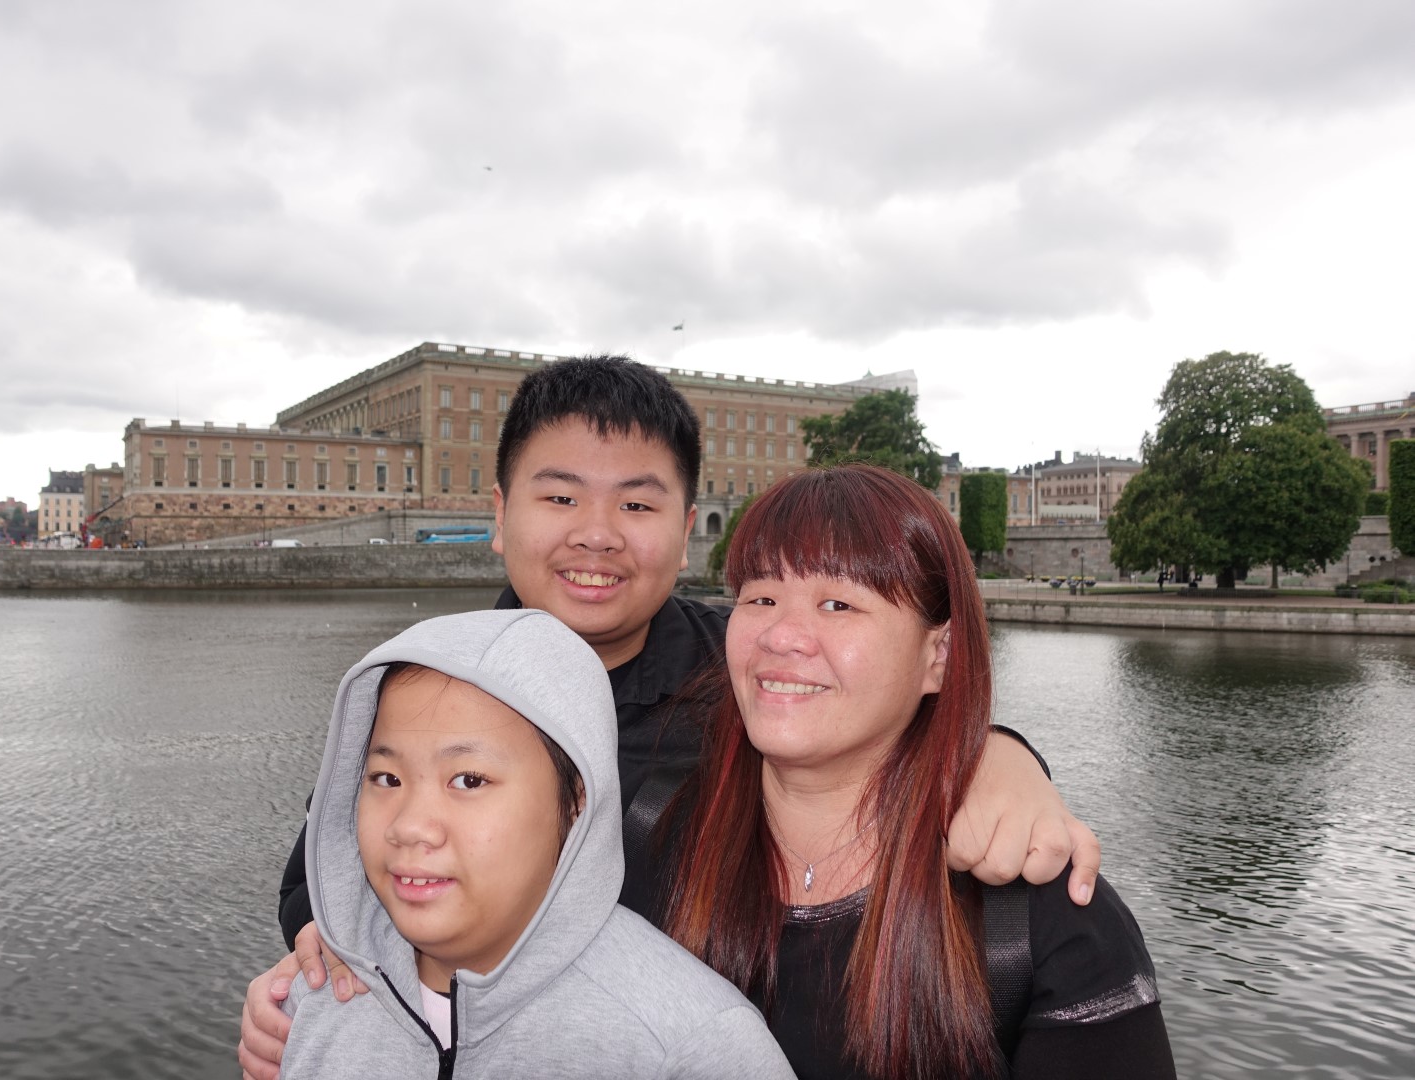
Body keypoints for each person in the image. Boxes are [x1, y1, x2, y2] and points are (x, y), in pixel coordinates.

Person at [242, 356, 1101, 1077]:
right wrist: (326, 995)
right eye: (560, 499)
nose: (597, 534)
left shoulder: (754, 666)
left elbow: (886, 704)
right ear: (499, 516)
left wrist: (996, 756)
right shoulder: (418, 688)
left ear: (688, 530)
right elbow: (322, 887)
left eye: (637, 505)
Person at [625, 464, 1174, 1078]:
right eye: (760, 598)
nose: (780, 636)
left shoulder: (1050, 918)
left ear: (938, 655)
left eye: (837, 603)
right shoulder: (640, 833)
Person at [276, 608, 794, 1078]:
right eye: (386, 779)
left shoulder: (692, 1048)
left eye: (469, 780)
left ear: (576, 803)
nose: (410, 826)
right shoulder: (317, 994)